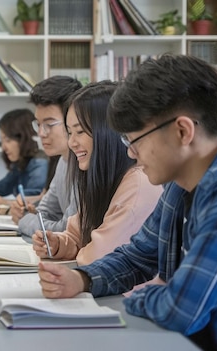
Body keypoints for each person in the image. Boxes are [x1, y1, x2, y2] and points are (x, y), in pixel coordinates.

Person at [38, 55, 217, 350]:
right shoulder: (179, 183)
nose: (130, 153)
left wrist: (144, 293)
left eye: (135, 140)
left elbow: (180, 308)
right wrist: (81, 279)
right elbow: (137, 257)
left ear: (182, 131)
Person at [32, 81, 162, 266]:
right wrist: (58, 244)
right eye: (70, 132)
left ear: (107, 133)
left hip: (127, 294)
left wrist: (79, 250)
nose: (71, 143)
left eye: (79, 131)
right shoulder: (101, 178)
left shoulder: (138, 184)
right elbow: (76, 236)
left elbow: (98, 257)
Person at [11, 76, 82, 237]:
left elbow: (67, 230)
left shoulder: (85, 164)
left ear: (72, 120)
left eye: (49, 124)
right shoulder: (63, 161)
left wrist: (24, 219)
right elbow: (44, 213)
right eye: (38, 124)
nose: (41, 133)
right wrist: (28, 214)